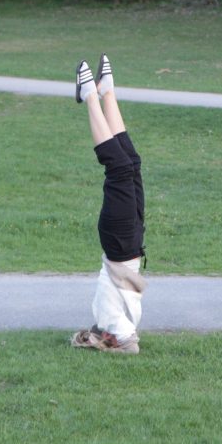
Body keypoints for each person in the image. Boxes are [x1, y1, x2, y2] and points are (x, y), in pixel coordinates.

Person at [70, 54, 147, 355]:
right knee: (132, 164)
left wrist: (105, 341)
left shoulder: (109, 320)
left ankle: (89, 95)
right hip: (132, 239)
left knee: (119, 168)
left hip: (119, 242)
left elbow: (132, 348)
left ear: (110, 339)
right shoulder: (115, 321)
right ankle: (107, 92)